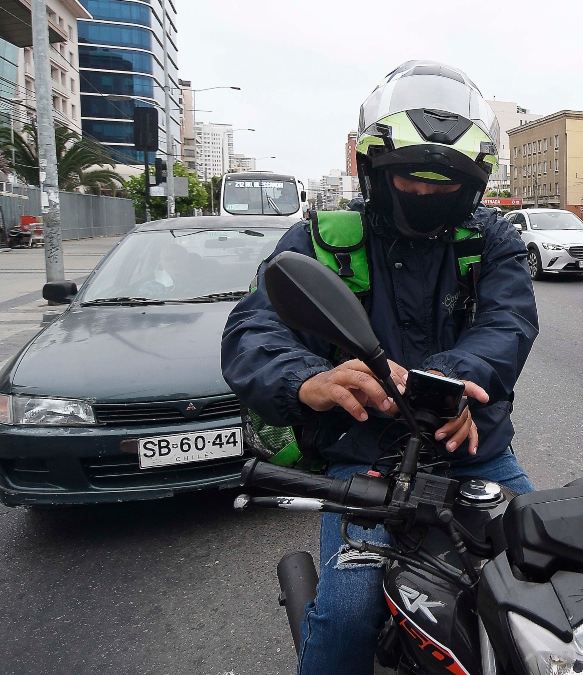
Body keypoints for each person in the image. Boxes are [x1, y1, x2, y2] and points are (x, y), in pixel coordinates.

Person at [220, 61, 538, 675]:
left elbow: (509, 325)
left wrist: (444, 384)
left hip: (473, 448)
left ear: (471, 184)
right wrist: (305, 380)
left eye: (442, 184)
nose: (423, 194)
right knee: (349, 613)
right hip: (365, 451)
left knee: (553, 576)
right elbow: (252, 328)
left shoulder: (492, 240)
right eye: (409, 180)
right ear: (372, 170)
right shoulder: (323, 238)